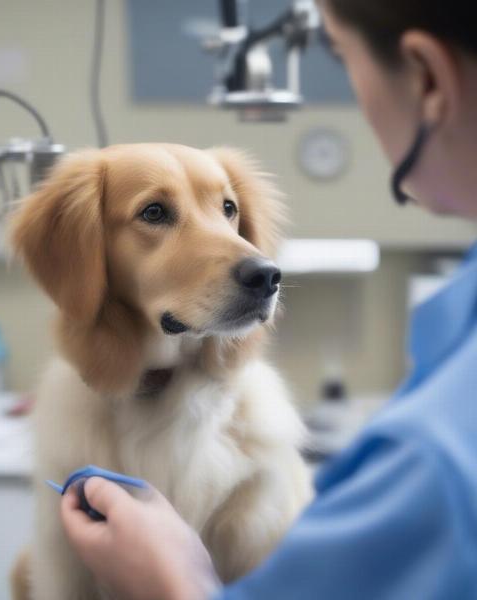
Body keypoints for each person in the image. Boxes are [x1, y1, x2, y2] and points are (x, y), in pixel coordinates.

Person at [59, 1, 477, 598]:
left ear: (427, 78)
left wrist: (175, 582)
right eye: (157, 213)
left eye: (342, 58)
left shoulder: (431, 462)